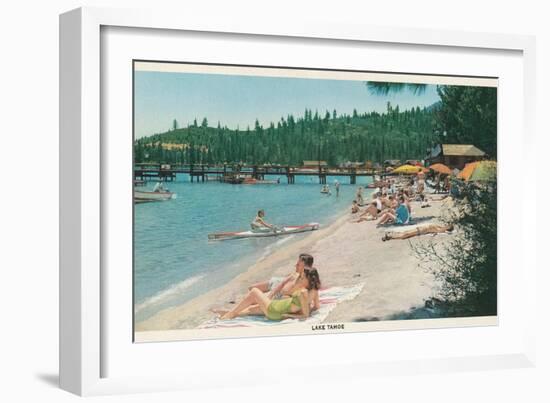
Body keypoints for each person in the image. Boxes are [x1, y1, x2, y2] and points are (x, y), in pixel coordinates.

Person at [220, 255, 321, 320]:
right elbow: (315, 307)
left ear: (308, 280)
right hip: (278, 307)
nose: (300, 278)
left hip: (275, 311)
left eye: (302, 278)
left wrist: (290, 315)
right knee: (251, 309)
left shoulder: (302, 291)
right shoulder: (314, 290)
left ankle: (230, 314)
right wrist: (301, 309)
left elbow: (305, 315)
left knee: (254, 292)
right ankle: (228, 313)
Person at [382, 223, 454, 241]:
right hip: (420, 228)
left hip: (421, 230)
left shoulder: (441, 230)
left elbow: (437, 232)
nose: (446, 225)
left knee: (405, 235)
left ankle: (389, 237)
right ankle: (390, 235)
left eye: (448, 226)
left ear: (448, 228)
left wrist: (446, 231)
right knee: (405, 232)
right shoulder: (440, 227)